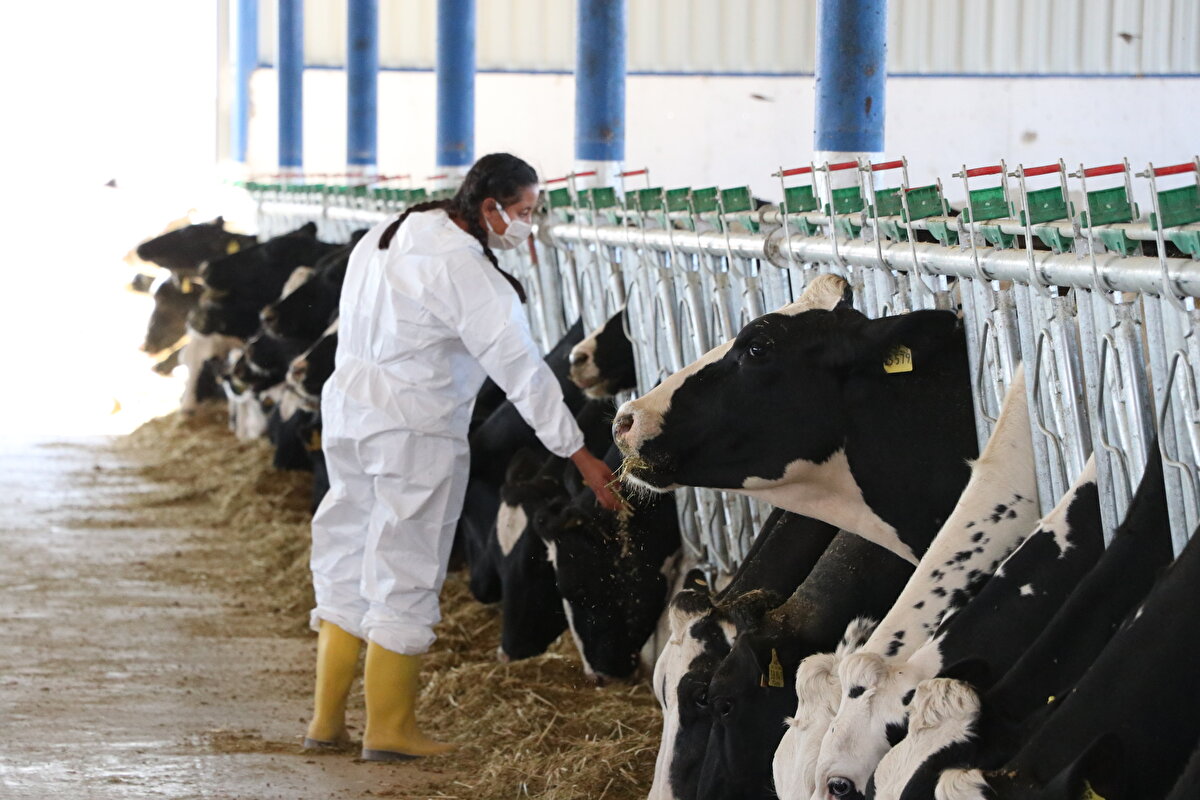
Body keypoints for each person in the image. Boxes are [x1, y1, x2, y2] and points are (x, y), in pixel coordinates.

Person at [302, 153, 621, 761]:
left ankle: (325, 723)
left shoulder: (389, 233)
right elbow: (522, 370)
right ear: (489, 207)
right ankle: (389, 731)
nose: (528, 223)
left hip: (349, 410)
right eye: (524, 211)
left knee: (344, 554)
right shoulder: (466, 269)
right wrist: (577, 452)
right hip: (412, 425)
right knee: (405, 565)